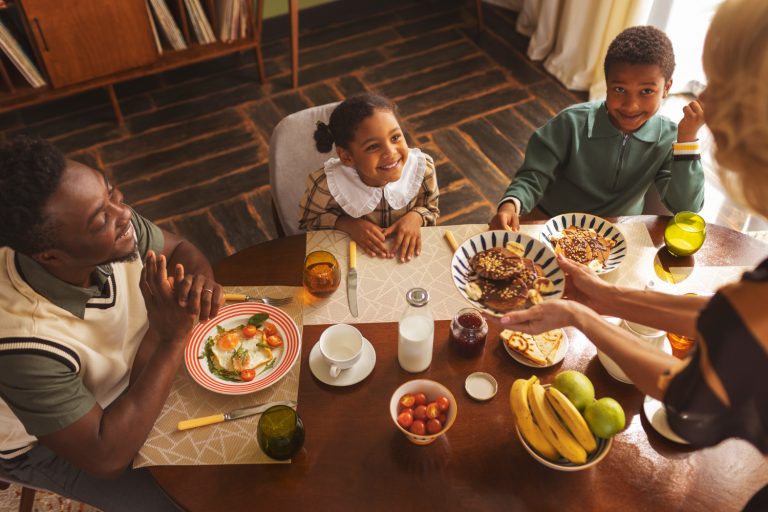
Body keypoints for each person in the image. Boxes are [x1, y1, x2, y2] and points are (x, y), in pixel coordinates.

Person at [501, 0, 767, 508]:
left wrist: (583, 312)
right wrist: (608, 299)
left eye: (721, 85)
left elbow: (688, 394)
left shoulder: (669, 135)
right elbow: (727, 320)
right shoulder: (573, 123)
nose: (704, 98)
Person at [0, 136, 224, 511]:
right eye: (100, 218)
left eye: (112, 194)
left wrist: (200, 283)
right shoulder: (23, 344)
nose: (124, 214)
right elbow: (106, 455)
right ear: (50, 255)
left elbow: (181, 249)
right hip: (56, 442)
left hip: (139, 366)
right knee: (195, 499)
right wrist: (169, 340)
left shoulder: (111, 226)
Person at [490, 25, 706, 231]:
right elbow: (533, 175)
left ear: (666, 88)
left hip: (618, 235)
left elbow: (686, 208)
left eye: (646, 91)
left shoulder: (671, 139)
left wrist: (686, 141)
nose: (631, 106)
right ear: (606, 83)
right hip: (550, 222)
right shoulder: (571, 122)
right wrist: (512, 203)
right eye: (619, 89)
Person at [298, 93, 439, 262]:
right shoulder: (326, 185)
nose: (391, 152)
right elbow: (308, 222)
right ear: (347, 157)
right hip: (352, 261)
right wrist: (347, 225)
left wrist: (416, 217)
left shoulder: (423, 169)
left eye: (395, 137)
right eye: (373, 146)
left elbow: (431, 208)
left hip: (405, 258)